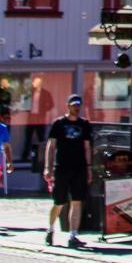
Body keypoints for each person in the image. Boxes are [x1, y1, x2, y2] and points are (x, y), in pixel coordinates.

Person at [43, 95, 93, 248]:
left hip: (79, 167)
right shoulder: (59, 123)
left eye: (78, 105)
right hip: (62, 167)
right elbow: (51, 146)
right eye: (73, 105)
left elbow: (87, 147)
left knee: (77, 201)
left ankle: (73, 235)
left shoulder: (84, 124)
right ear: (68, 106)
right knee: (59, 202)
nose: (76, 108)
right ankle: (50, 229)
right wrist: (47, 167)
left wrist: (89, 167)